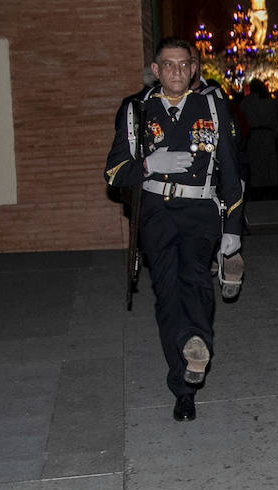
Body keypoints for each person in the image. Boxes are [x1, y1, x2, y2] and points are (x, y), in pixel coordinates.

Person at [105, 37, 244, 422]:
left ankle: (194, 347)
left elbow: (232, 169)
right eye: (169, 65)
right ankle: (186, 374)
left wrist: (232, 229)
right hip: (156, 211)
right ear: (156, 70)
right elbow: (114, 173)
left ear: (195, 68)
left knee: (195, 280)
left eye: (185, 64)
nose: (177, 71)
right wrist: (149, 164)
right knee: (167, 291)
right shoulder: (136, 110)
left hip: (200, 208)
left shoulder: (213, 106)